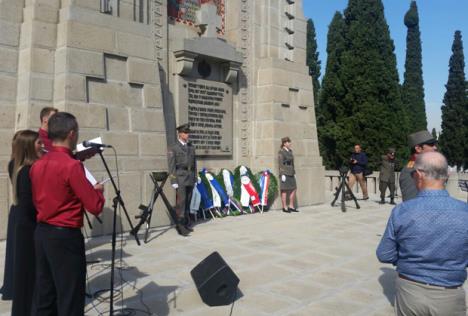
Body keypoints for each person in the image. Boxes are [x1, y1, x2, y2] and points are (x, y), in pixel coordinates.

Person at [30, 112, 105, 316]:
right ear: (71, 134)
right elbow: (95, 206)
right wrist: (98, 192)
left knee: (46, 295)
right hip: (65, 236)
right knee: (70, 298)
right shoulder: (72, 166)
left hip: (41, 233)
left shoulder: (37, 164)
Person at [376, 152, 468, 316]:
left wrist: (408, 260)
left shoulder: (402, 211)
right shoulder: (465, 211)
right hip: (450, 294)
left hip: (410, 291)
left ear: (418, 175)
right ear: (447, 175)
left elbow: (384, 254)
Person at [9, 130, 43, 316]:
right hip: (30, 228)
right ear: (29, 146)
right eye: (39, 143)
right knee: (30, 275)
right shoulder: (28, 172)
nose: (43, 145)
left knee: (26, 274)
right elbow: (31, 206)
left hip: (24, 227)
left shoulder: (18, 167)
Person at [1, 132, 21, 301]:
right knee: (19, 253)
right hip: (22, 214)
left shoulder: (14, 163)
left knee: (15, 253)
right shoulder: (19, 166)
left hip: (17, 212)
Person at [167, 123, 197, 236]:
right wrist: (173, 180)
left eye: (188, 132)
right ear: (180, 134)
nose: (187, 134)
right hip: (180, 177)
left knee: (188, 201)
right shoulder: (174, 148)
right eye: (185, 132)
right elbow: (171, 166)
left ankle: (186, 224)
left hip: (190, 177)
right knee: (181, 202)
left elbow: (194, 163)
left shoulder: (191, 147)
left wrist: (195, 177)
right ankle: (180, 226)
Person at [399, 130, 437, 201]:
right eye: (431, 144)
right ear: (418, 149)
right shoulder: (411, 171)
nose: (435, 148)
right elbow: (411, 204)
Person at [278, 137, 298, 213]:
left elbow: (293, 163)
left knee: (294, 188)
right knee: (284, 190)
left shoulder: (290, 151)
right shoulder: (281, 152)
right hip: (285, 172)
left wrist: (294, 172)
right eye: (288, 142)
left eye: (289, 142)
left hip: (291, 172)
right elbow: (280, 163)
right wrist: (282, 173)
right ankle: (284, 207)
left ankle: (291, 205)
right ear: (284, 143)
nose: (290, 144)